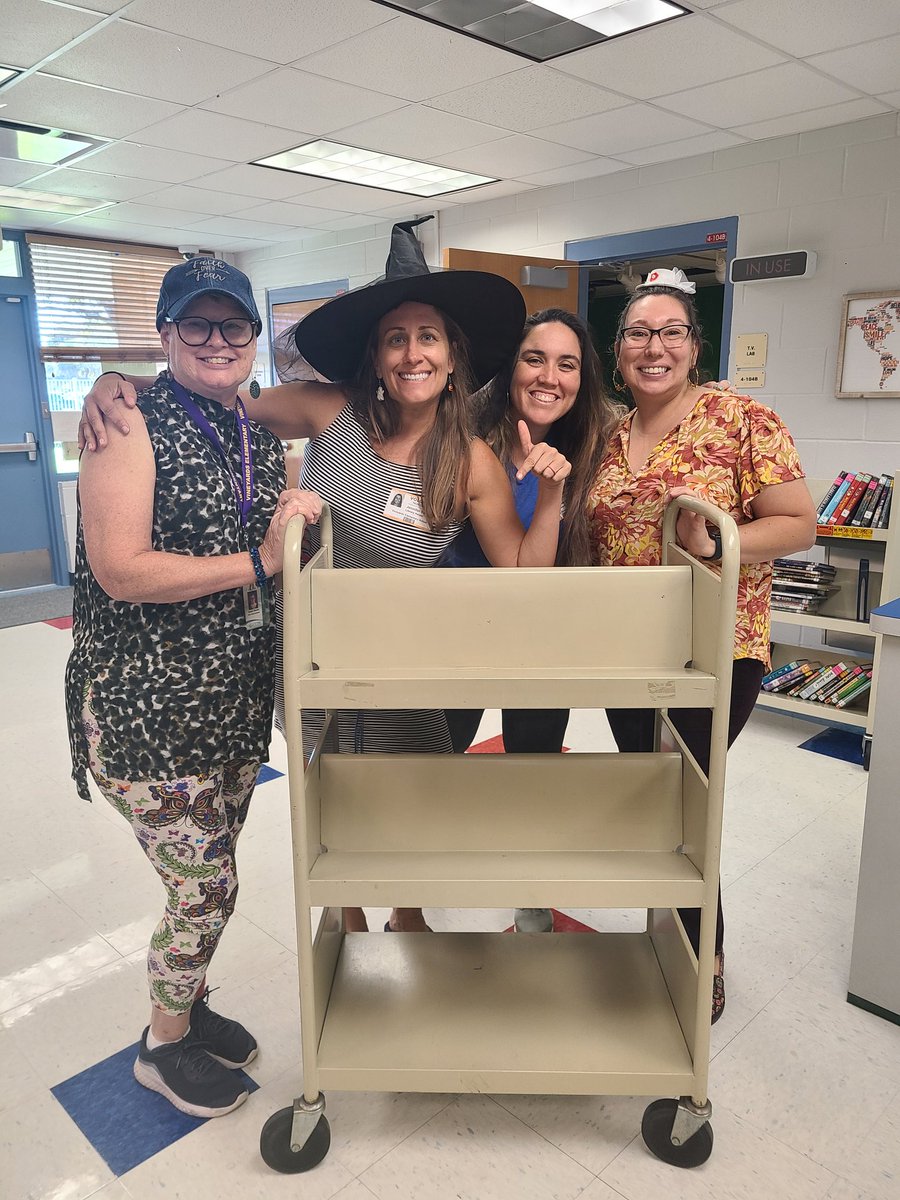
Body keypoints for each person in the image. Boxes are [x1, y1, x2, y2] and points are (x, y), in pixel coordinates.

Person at [78, 218, 572, 939]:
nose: (413, 353)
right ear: (375, 354)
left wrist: (552, 496)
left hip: (406, 661)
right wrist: (114, 382)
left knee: (407, 800)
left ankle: (408, 915)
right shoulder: (329, 412)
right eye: (396, 337)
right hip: (309, 656)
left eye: (428, 336)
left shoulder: (471, 460)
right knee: (328, 799)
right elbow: (210, 397)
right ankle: (346, 922)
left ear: (452, 353)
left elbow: (522, 573)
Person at [65, 257, 322, 1119]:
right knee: (203, 888)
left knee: (214, 875)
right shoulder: (128, 422)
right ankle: (161, 1045)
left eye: (233, 326)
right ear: (166, 334)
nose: (217, 341)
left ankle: (193, 1005)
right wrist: (259, 561)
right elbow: (122, 569)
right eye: (196, 325)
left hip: (230, 706)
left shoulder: (252, 427)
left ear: (253, 338)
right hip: (148, 713)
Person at [586, 266, 817, 1022]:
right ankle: (669, 932)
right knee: (654, 799)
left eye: (671, 332)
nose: (654, 347)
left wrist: (717, 546)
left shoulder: (744, 418)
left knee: (686, 799)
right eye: (639, 334)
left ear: (695, 344)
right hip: (626, 651)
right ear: (618, 348)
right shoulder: (610, 434)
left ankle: (703, 954)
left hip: (716, 650)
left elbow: (796, 524)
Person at [438, 307, 624, 932]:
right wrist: (123, 385)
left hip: (543, 639)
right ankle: (411, 894)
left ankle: (532, 893)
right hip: (458, 634)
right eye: (534, 358)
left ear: (583, 377)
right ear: (510, 366)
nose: (549, 376)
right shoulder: (462, 434)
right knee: (435, 758)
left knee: (534, 766)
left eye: (567, 364)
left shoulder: (602, 444)